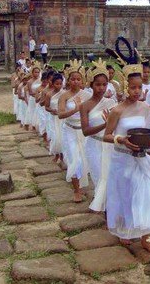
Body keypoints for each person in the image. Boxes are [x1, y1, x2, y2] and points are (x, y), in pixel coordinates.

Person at [103, 40, 150, 254]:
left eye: (139, 87)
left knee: (148, 194)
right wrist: (121, 140)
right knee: (126, 195)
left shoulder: (145, 108)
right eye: (132, 87)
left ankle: (145, 237)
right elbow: (107, 136)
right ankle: (125, 229)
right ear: (125, 86)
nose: (137, 91)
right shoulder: (116, 111)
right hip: (122, 158)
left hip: (142, 158)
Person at [80, 59, 116, 204]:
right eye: (98, 85)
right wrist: (104, 125)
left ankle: (108, 206)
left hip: (109, 144)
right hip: (94, 144)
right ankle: (102, 203)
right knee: (99, 176)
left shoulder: (111, 103)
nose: (101, 88)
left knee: (110, 176)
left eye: (104, 84)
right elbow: (85, 131)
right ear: (91, 85)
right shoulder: (85, 106)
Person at [58, 60, 92, 202]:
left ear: (82, 80)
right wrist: (75, 110)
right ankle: (76, 190)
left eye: (78, 79)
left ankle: (83, 185)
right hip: (70, 130)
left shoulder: (87, 95)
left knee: (85, 160)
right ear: (68, 80)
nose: (76, 82)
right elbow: (60, 114)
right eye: (73, 79)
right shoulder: (64, 96)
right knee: (74, 160)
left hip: (84, 131)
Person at [46, 73, 66, 166]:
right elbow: (46, 107)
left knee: (62, 137)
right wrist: (52, 110)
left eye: (60, 84)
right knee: (55, 137)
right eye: (57, 84)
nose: (59, 86)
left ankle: (62, 156)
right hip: (53, 118)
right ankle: (56, 154)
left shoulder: (65, 94)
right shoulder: (49, 94)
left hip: (62, 118)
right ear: (52, 84)